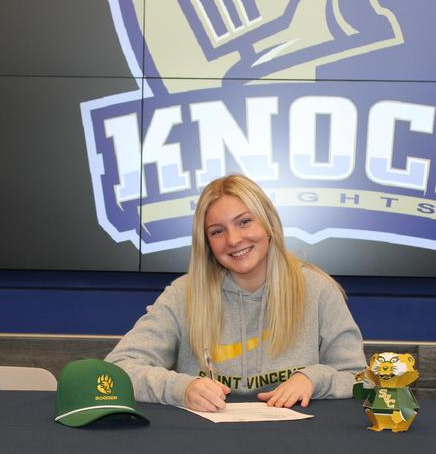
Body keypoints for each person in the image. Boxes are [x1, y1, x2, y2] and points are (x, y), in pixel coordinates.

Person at [105, 174, 365, 412]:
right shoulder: (183, 294)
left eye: (244, 222)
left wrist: (312, 379)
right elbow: (118, 368)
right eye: (217, 231)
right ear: (207, 243)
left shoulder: (318, 290)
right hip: (204, 443)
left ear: (269, 225)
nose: (233, 240)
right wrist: (180, 389)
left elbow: (361, 378)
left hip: (300, 446)